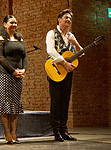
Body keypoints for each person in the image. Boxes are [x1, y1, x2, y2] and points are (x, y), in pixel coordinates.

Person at [46, 9, 82, 142]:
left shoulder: (71, 36)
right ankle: (56, 131)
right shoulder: (52, 33)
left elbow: (81, 52)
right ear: (59, 19)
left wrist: (75, 43)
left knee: (65, 101)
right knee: (56, 101)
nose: (69, 20)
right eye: (66, 17)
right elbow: (50, 50)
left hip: (67, 72)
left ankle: (64, 130)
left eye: (70, 18)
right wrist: (64, 62)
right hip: (55, 70)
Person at [0, 15, 28, 144]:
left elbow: (24, 57)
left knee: (15, 103)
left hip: (19, 74)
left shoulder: (20, 38)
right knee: (5, 103)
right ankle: (7, 132)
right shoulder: (1, 38)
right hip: (5, 74)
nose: (14, 25)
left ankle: (14, 132)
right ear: (5, 24)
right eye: (11, 22)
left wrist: (23, 70)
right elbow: (0, 57)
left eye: (15, 23)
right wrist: (13, 71)